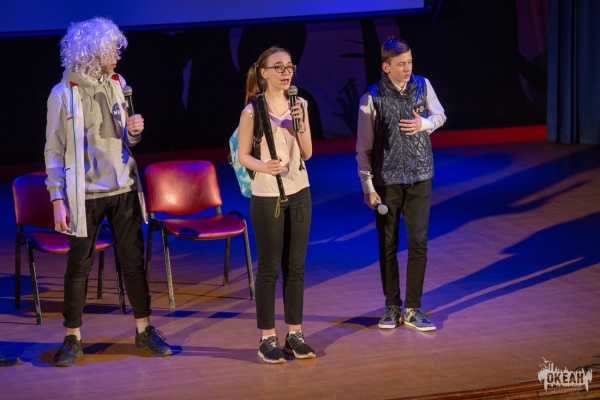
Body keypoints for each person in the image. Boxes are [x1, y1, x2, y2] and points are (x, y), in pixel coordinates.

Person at [44, 17, 172, 367]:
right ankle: (72, 338)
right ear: (92, 52)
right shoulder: (62, 94)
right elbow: (53, 150)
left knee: (133, 262)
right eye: (111, 50)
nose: (117, 56)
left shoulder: (119, 83)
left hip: (124, 187)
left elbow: (127, 138)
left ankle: (144, 329)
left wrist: (134, 132)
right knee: (79, 267)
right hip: (84, 194)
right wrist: (57, 198)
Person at [356, 36, 446, 332]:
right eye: (401, 64)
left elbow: (440, 116)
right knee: (388, 243)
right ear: (386, 67)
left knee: (418, 241)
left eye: (409, 62)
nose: (407, 69)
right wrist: (368, 187)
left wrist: (424, 124)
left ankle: (413, 308)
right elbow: (364, 148)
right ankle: (392, 306)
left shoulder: (423, 84)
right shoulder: (371, 97)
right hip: (387, 180)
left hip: (420, 175)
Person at [238, 46, 315, 363]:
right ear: (264, 73)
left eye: (289, 67)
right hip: (267, 195)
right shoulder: (252, 111)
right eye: (279, 67)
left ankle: (295, 333)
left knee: (295, 267)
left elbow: (307, 152)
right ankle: (266, 337)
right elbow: (243, 155)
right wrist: (263, 166)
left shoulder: (301, 105)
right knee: (269, 267)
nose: (286, 72)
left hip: (300, 191)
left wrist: (299, 126)